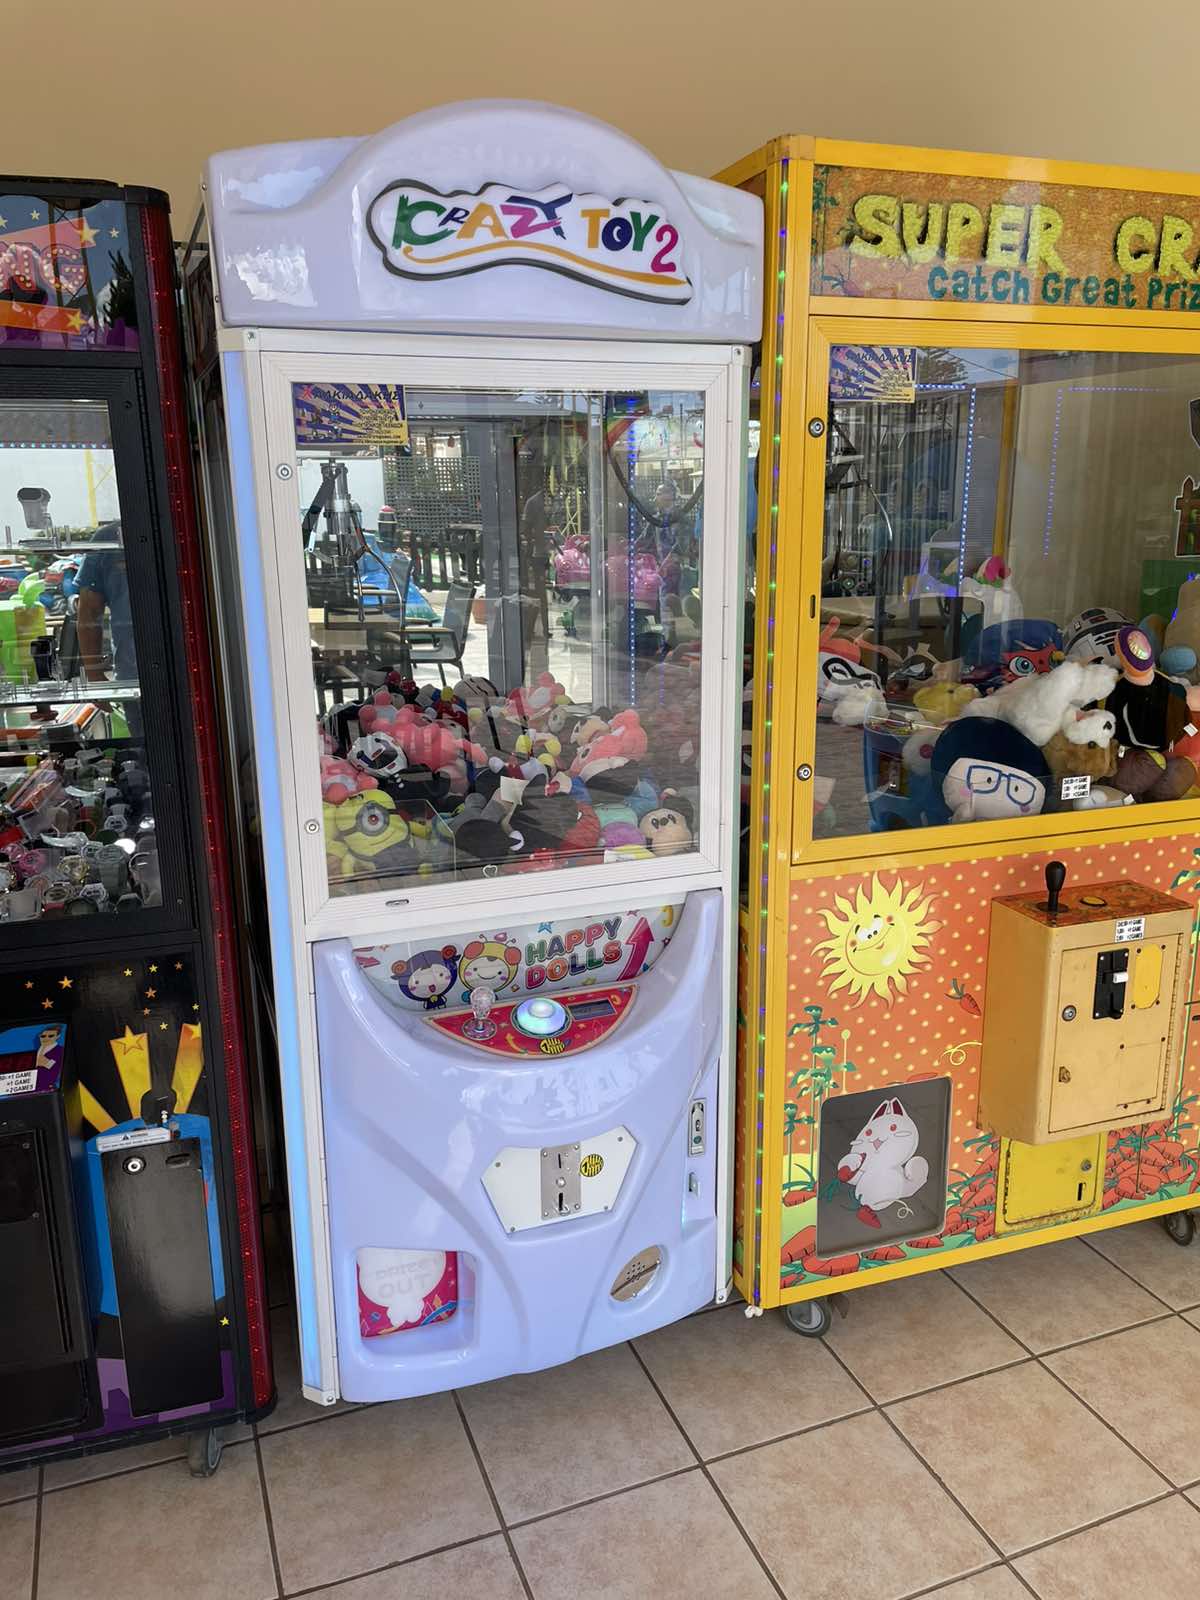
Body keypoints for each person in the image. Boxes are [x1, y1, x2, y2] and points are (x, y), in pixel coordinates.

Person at [75, 521, 141, 735]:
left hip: (135, 675)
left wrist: (94, 674)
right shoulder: (108, 538)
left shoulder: (109, 537)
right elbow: (89, 611)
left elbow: (89, 610)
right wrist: (94, 675)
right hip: (134, 678)